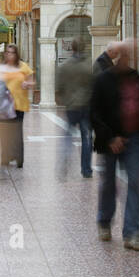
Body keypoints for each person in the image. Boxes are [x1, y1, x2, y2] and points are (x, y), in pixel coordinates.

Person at [90, 39, 139, 250]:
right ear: (116, 56)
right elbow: (94, 113)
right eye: (125, 54)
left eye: (131, 54)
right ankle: (104, 221)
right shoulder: (103, 80)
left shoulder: (135, 77)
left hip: (135, 138)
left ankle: (132, 234)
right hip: (110, 141)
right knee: (108, 184)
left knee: (135, 182)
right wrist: (110, 138)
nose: (128, 57)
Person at [56, 40, 94, 178]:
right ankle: (86, 169)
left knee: (67, 137)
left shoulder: (65, 66)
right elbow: (93, 85)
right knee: (86, 138)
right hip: (85, 106)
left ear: (72, 48)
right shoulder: (89, 65)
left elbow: (59, 88)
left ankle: (64, 164)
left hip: (71, 107)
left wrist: (66, 101)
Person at [0, 43, 35, 168]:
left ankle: (19, 159)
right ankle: (5, 158)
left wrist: (27, 84)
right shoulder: (0, 67)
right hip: (3, 105)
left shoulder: (23, 66)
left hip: (18, 105)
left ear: (16, 54)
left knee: (17, 134)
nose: (10, 55)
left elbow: (32, 81)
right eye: (7, 52)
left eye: (12, 52)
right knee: (4, 133)